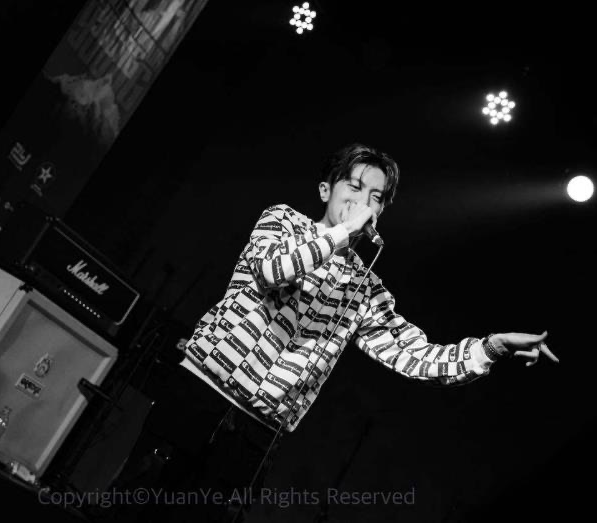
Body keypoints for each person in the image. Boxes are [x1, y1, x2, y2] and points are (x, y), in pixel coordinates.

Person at [113, 143, 558, 523]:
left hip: (255, 432)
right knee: (134, 506)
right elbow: (272, 271)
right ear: (326, 190)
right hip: (199, 394)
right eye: (355, 187)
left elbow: (416, 356)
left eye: (377, 198)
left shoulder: (365, 288)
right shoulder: (283, 222)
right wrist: (343, 232)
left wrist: (492, 347)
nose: (365, 202)